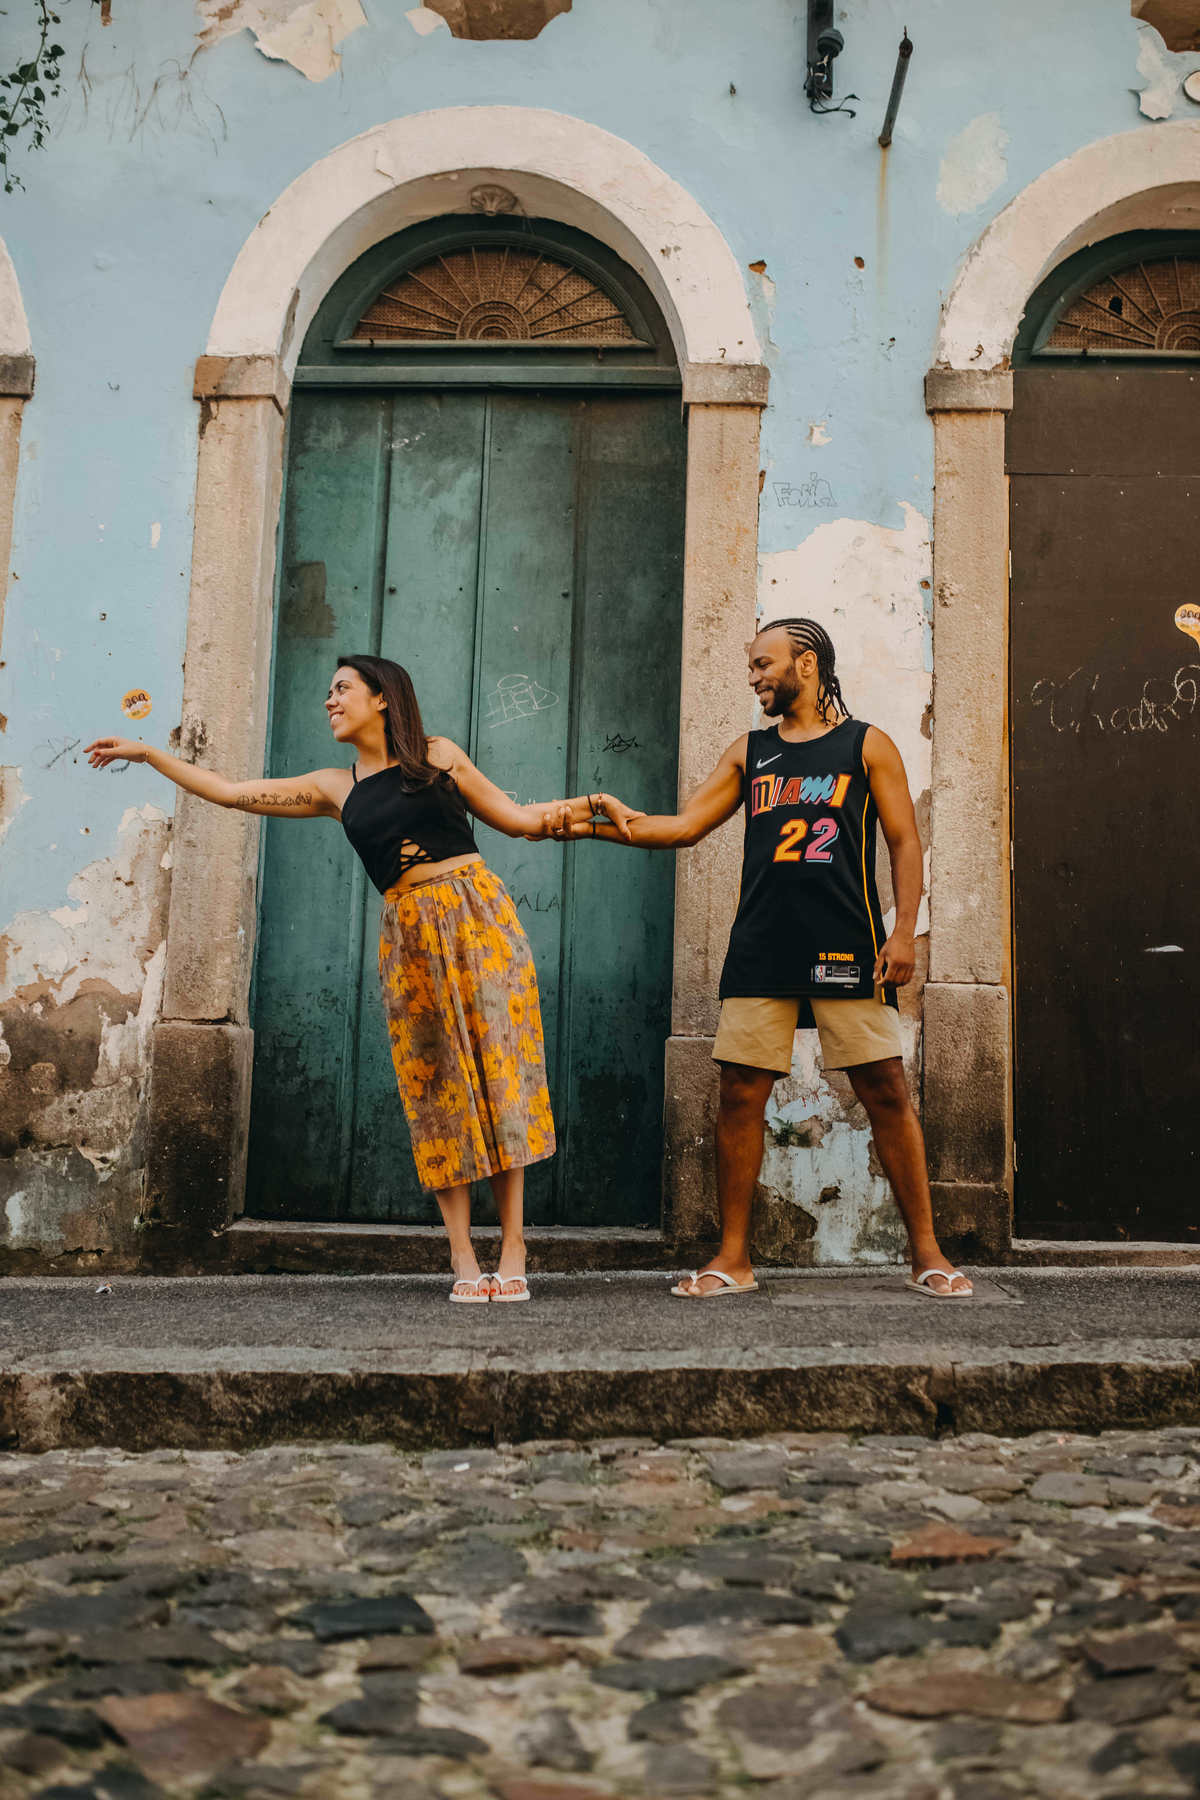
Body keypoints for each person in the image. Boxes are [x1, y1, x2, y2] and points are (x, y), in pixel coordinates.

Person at [86, 653, 638, 1305]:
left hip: (479, 922)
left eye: (342, 688)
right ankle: (463, 1255)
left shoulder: (439, 757)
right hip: (408, 939)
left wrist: (593, 805)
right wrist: (151, 755)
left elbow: (518, 820)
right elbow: (234, 793)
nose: (329, 700)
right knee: (435, 1088)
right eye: (328, 690)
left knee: (501, 1076)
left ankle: (513, 1247)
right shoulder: (334, 788)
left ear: (382, 698)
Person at [559, 617, 973, 1301]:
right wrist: (599, 823)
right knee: (740, 1093)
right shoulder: (751, 753)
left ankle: (927, 1253)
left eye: (762, 663)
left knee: (885, 1090)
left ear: (805, 664)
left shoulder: (866, 745)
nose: (753, 677)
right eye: (752, 665)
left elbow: (904, 841)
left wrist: (903, 935)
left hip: (847, 944)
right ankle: (733, 1260)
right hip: (761, 946)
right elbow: (684, 827)